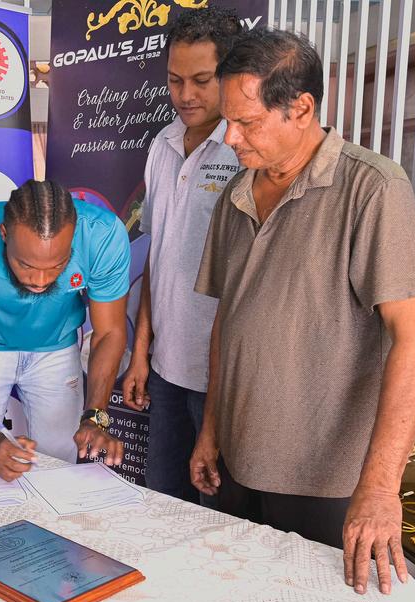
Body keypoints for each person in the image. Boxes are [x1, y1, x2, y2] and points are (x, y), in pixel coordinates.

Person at [188, 29, 415, 596]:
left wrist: (381, 488)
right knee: (239, 599)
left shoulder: (371, 188)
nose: (230, 138)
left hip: (324, 481)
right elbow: (230, 321)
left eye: (247, 122)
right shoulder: (235, 194)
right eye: (227, 121)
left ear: (301, 108)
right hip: (238, 460)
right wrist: (211, 431)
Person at [0, 179, 130, 481]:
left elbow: (110, 332)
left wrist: (95, 417)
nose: (40, 280)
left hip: (55, 346)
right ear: (4, 234)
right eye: (26, 265)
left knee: (59, 465)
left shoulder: (103, 235)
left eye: (57, 265)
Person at [121, 6, 241, 505]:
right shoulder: (162, 144)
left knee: (219, 514)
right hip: (167, 368)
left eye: (201, 81)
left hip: (223, 381)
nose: (185, 95)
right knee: (162, 501)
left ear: (230, 75)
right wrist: (141, 352)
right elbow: (159, 255)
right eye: (175, 80)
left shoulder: (244, 151)